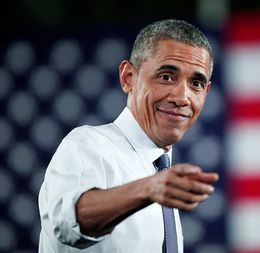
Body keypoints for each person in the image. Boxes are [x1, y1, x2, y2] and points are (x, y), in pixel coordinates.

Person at [38, 19, 219, 253]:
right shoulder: (86, 145)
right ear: (128, 78)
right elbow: (65, 223)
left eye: (196, 83)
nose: (182, 97)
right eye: (166, 77)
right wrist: (149, 189)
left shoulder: (160, 173)